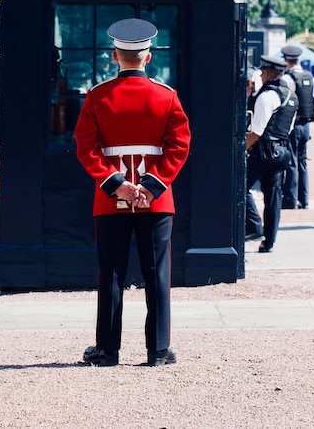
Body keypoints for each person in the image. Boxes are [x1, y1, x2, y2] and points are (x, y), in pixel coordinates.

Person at [74, 18, 191, 367]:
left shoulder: (97, 96)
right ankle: (157, 350)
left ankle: (107, 351)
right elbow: (179, 146)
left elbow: (85, 148)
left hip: (110, 199)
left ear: (115, 55)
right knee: (157, 272)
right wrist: (151, 187)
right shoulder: (166, 96)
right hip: (156, 199)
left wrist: (116, 184)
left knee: (110, 272)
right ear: (148, 56)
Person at [245, 55, 298, 253]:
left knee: (240, 186)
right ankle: (269, 241)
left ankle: (253, 226)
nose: (261, 74)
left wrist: (243, 149)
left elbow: (257, 131)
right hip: (283, 151)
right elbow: (288, 128)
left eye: (264, 72)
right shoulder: (291, 96)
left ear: (271, 74)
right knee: (273, 195)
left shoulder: (267, 96)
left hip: (264, 152)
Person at [281, 45, 314, 210]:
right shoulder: (310, 76)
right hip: (306, 124)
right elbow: (313, 101)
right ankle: (305, 198)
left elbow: (287, 102)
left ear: (286, 60)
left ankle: (290, 199)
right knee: (302, 162)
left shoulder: (289, 79)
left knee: (292, 162)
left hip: (294, 125)